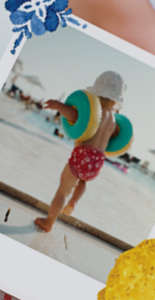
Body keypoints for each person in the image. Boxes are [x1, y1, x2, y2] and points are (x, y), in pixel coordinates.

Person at [34, 71, 125, 233]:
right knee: (82, 181)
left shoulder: (94, 112)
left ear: (96, 93)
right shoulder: (113, 120)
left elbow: (74, 116)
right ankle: (73, 202)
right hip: (97, 162)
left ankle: (49, 222)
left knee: (63, 191)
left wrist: (59, 106)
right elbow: (113, 138)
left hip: (82, 155)